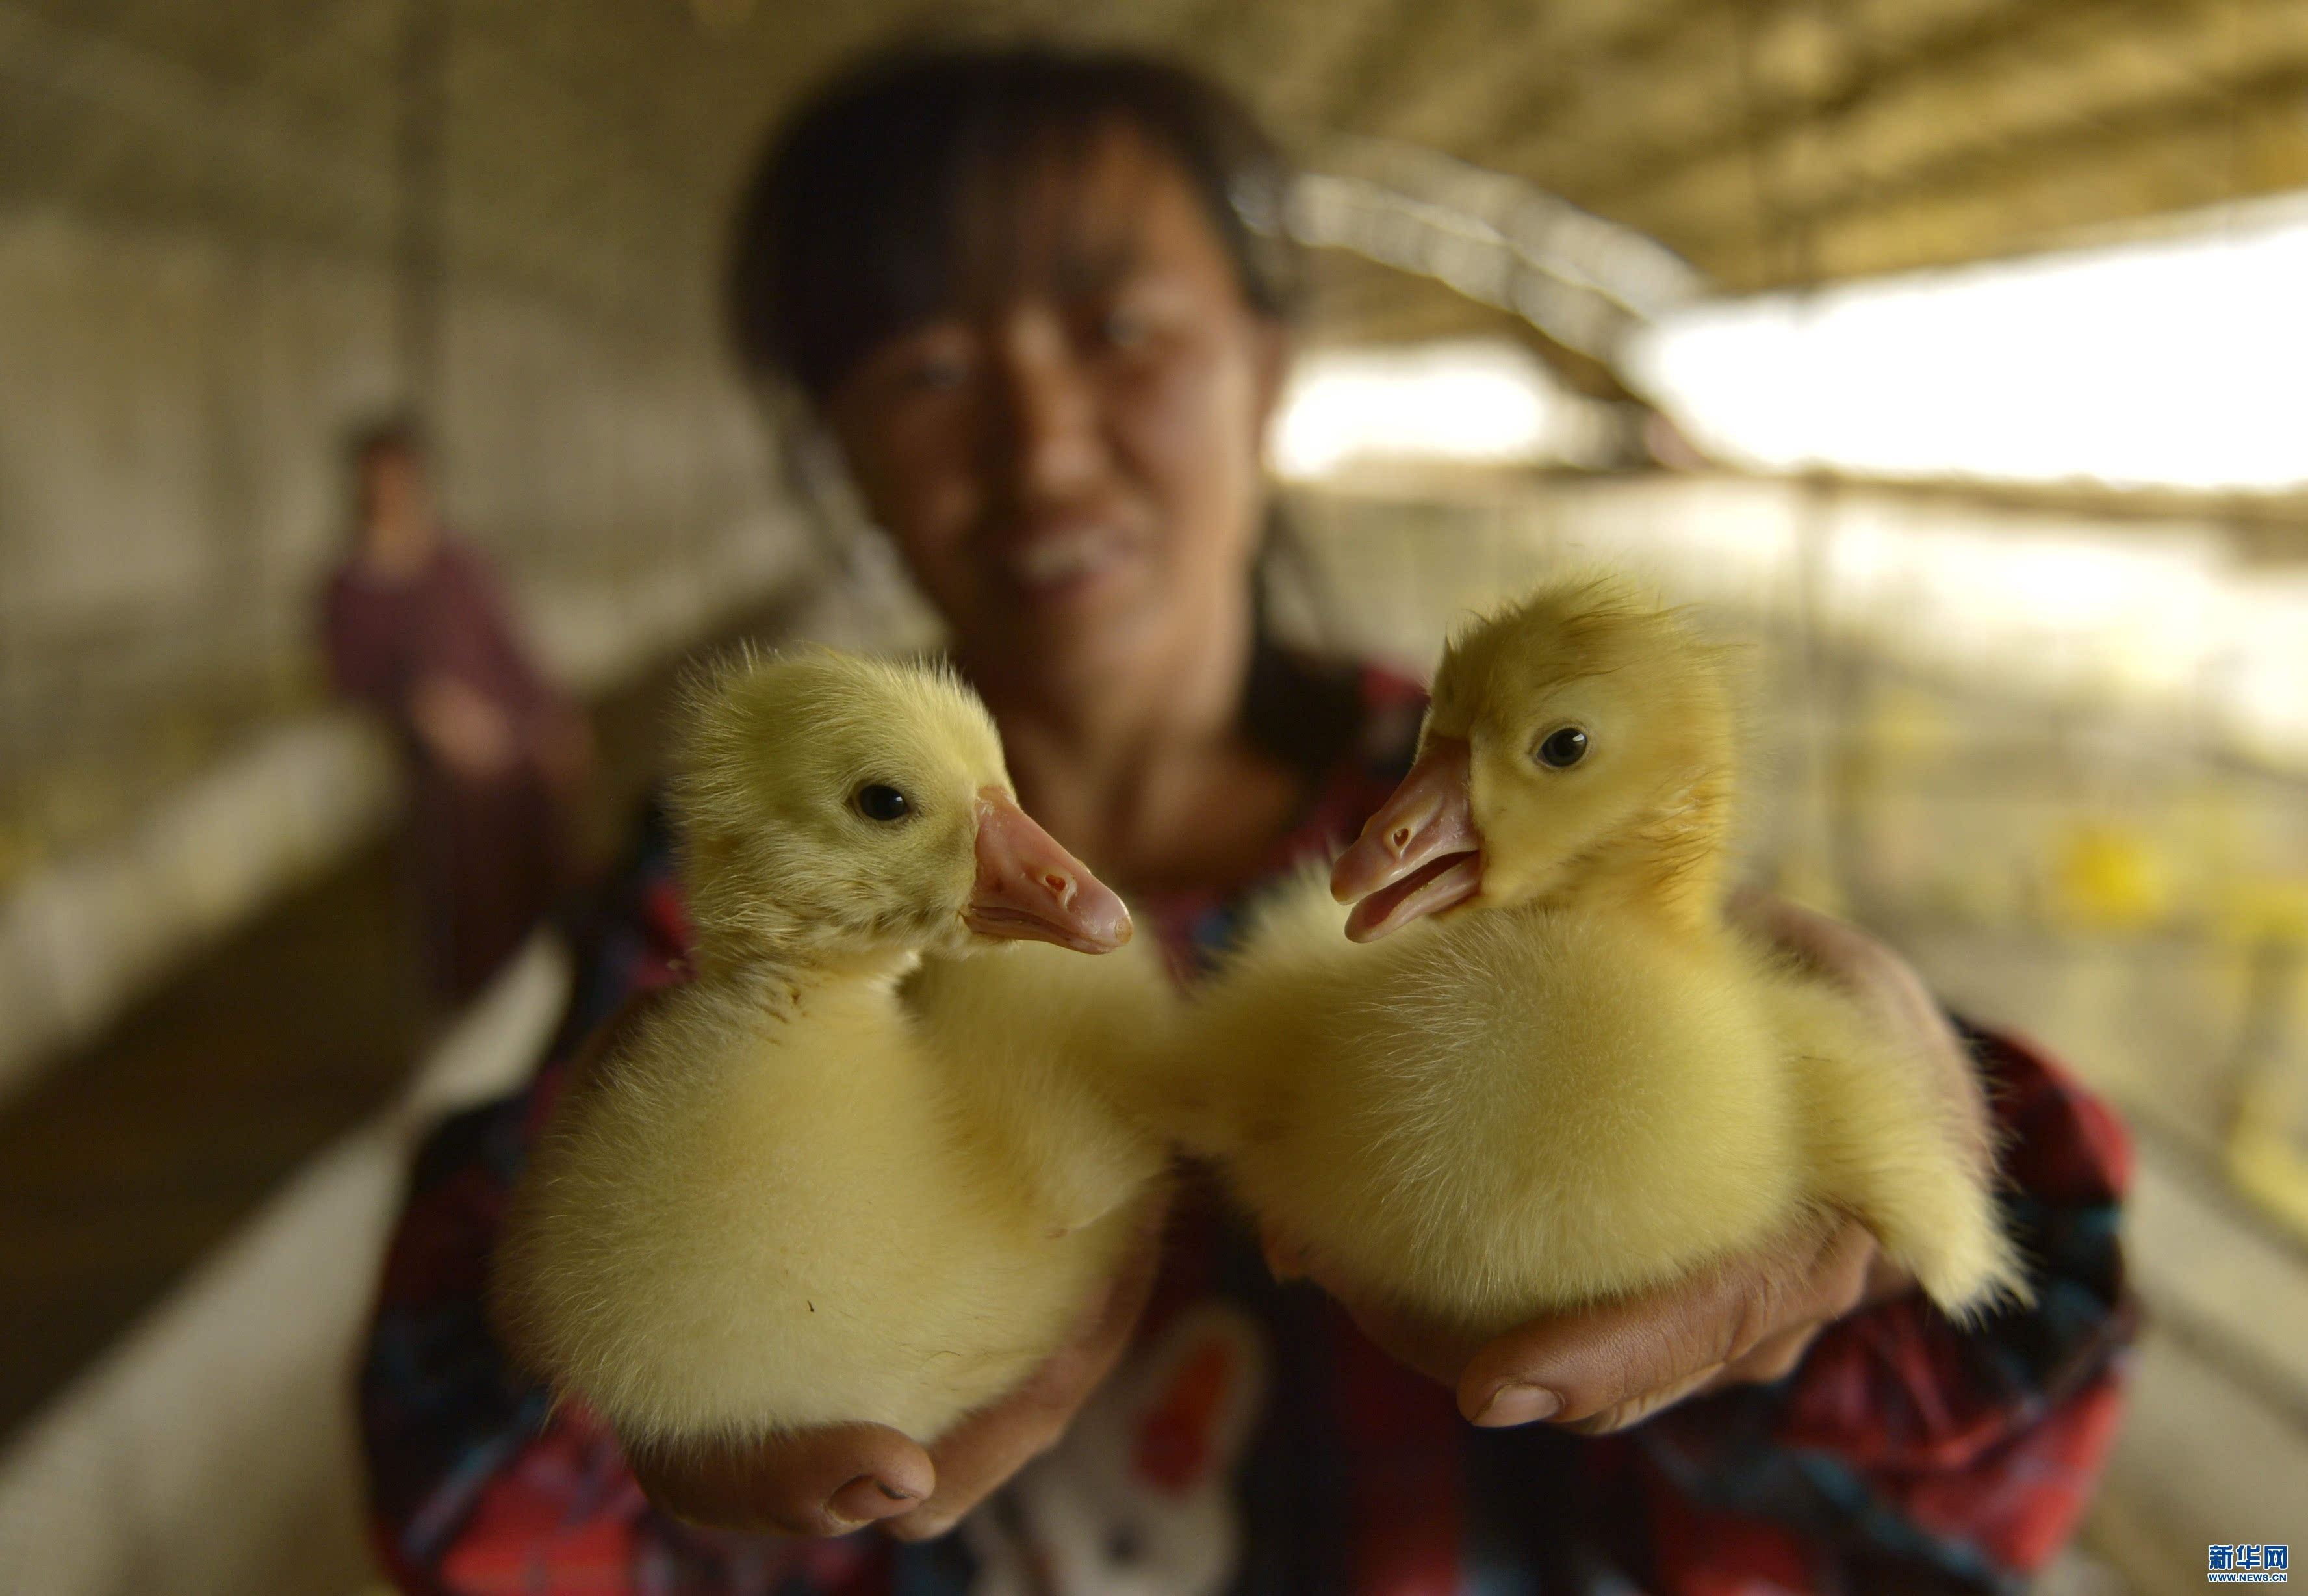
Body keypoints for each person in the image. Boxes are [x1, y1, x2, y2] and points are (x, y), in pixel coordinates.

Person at [360, 45, 2133, 1595]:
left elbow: (1985, 1474)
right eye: (923, 371)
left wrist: (1887, 1171)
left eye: (1121, 330)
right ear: (840, 445)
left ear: (1267, 368)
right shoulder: (720, 903)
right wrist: (563, 1325)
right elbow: (498, 1522)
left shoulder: (1523, 843)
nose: (1045, 448)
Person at [324, 419, 595, 1004]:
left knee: (553, 858)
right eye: (378, 482)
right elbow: (350, 681)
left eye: (400, 480)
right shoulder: (347, 587)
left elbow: (511, 646)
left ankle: (564, 978)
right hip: (448, 784)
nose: (389, 494)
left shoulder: (455, 564)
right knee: (472, 893)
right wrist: (418, 707)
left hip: (513, 748)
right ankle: (487, 999)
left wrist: (552, 714)